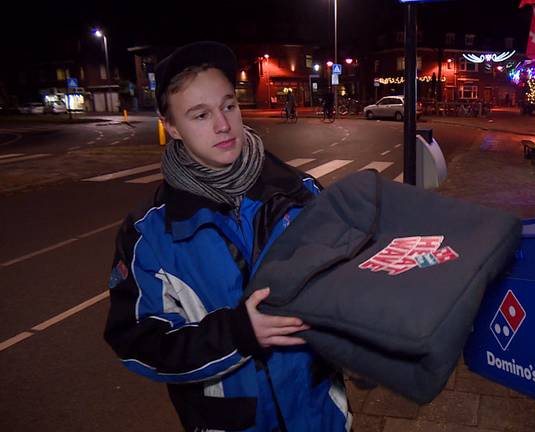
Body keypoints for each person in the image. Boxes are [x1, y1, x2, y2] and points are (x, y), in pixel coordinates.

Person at [103, 41, 350, 432]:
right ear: (172, 127)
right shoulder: (148, 235)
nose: (223, 125)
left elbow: (347, 284)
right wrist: (238, 333)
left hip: (322, 417)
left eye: (229, 105)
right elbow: (135, 342)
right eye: (200, 114)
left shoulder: (301, 192)